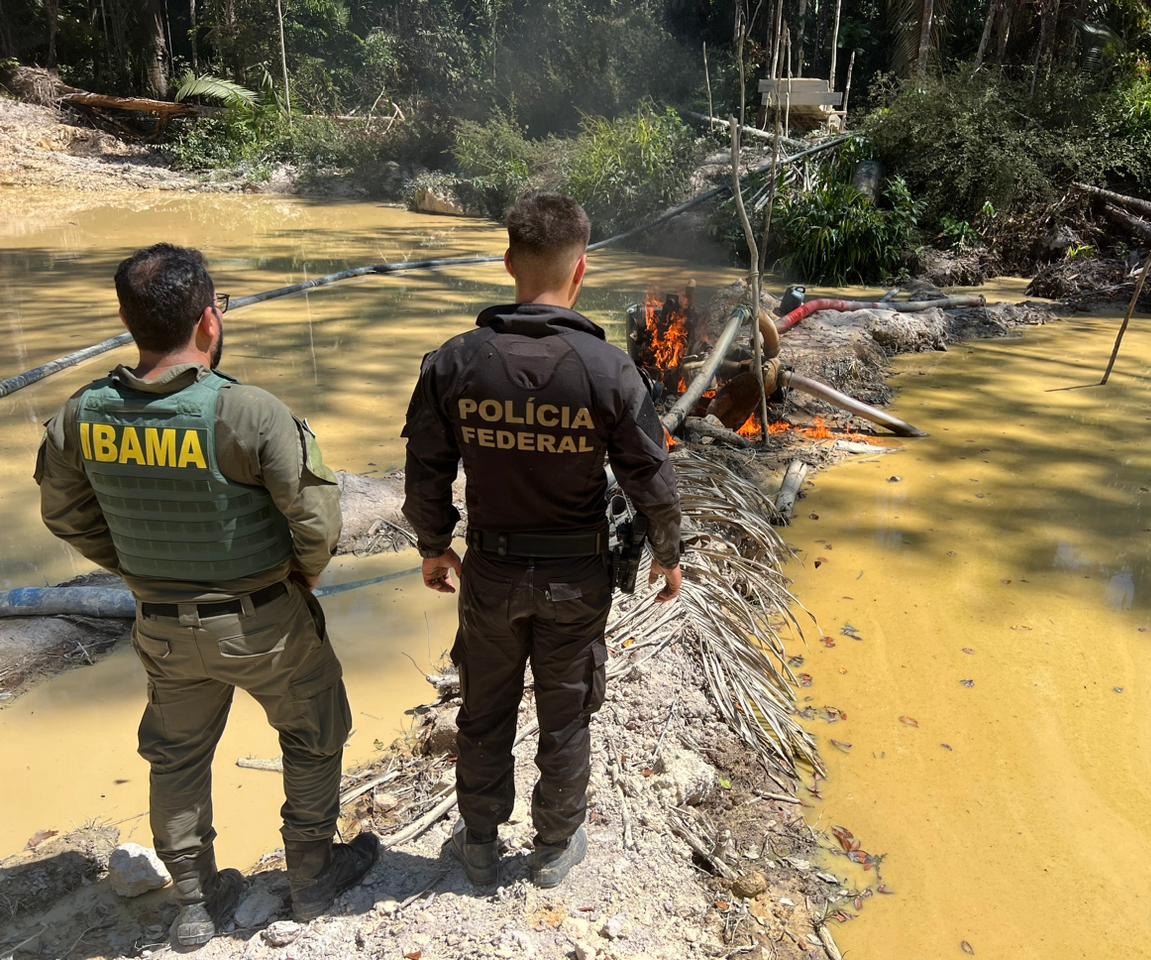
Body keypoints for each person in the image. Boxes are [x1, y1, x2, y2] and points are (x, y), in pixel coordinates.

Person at [35, 244, 379, 949]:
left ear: (129, 321)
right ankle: (312, 875)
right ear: (210, 321)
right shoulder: (247, 412)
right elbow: (317, 520)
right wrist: (302, 575)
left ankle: (193, 904)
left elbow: (65, 516)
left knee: (177, 757)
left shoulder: (81, 415)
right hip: (265, 621)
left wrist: (138, 570)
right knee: (315, 733)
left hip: (161, 627)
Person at [401, 193, 683, 889]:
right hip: (575, 580)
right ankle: (555, 847)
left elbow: (425, 468)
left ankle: (477, 842)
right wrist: (669, 554)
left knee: (484, 707)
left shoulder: (455, 362)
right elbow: (651, 477)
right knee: (566, 710)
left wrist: (435, 545)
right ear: (581, 271)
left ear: (507, 264)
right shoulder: (607, 370)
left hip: (490, 574)